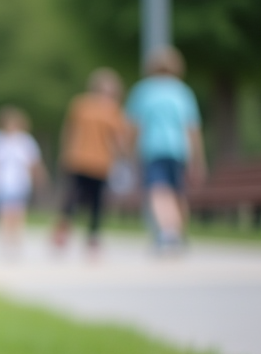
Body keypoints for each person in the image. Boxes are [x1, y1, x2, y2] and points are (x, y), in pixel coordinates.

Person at [124, 46, 206, 253]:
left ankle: (169, 233)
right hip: (179, 149)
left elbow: (134, 126)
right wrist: (198, 159)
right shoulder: (183, 91)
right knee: (178, 192)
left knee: (158, 191)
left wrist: (129, 152)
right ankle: (178, 232)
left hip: (153, 148)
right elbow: (192, 129)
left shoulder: (143, 90)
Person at [51, 68, 129, 257]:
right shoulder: (108, 108)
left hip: (88, 160)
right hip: (91, 160)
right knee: (90, 200)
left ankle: (74, 233)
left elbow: (69, 131)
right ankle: (84, 236)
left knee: (80, 198)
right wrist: (125, 156)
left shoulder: (82, 104)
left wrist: (65, 152)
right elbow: (119, 139)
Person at [0, 106, 45, 255]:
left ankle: (16, 239)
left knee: (17, 211)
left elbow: (33, 163)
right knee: (5, 211)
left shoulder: (26, 141)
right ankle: (5, 241)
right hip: (0, 181)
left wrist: (39, 180)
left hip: (20, 181)